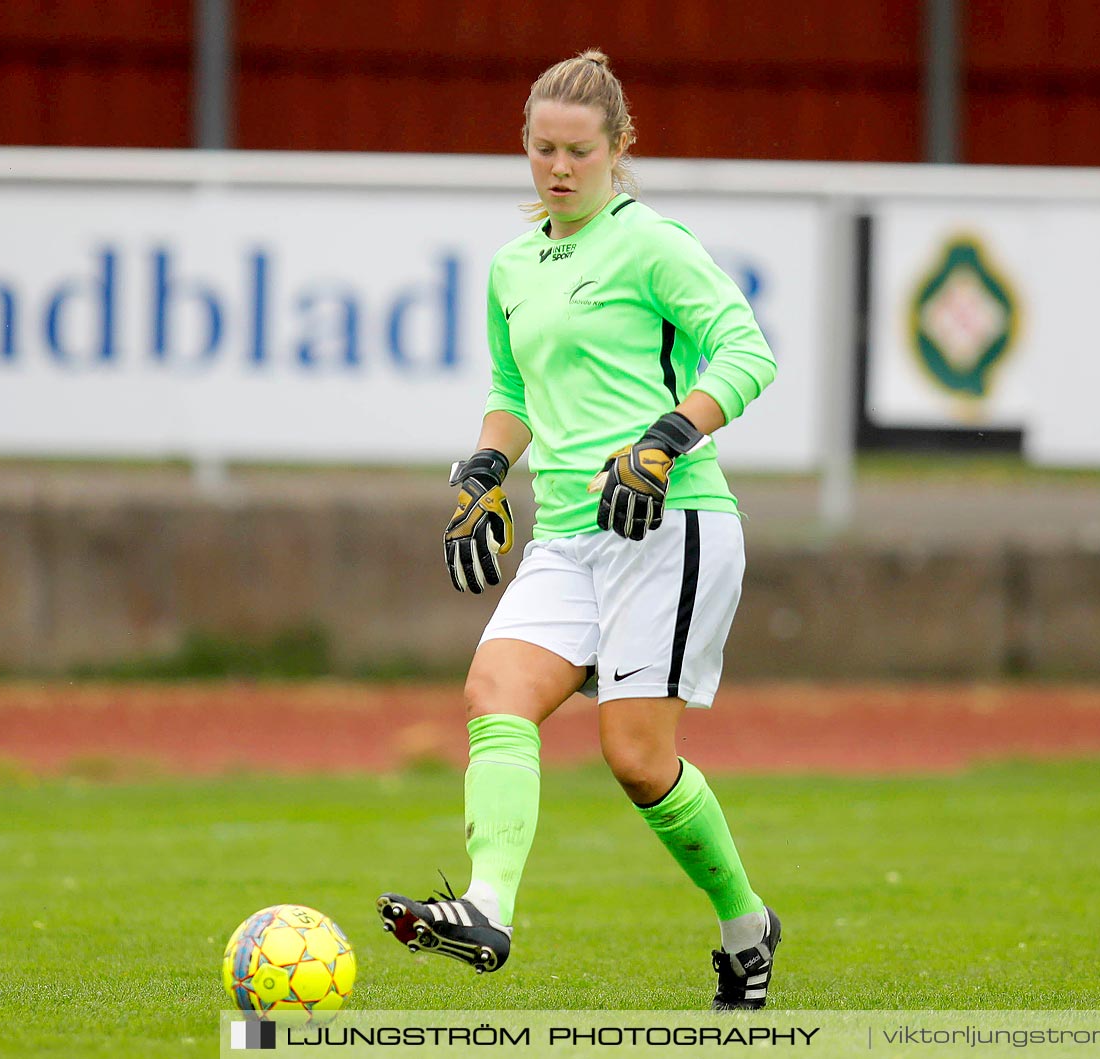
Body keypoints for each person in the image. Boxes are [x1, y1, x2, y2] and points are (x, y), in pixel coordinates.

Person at [375, 50, 782, 1011]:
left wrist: (669, 436)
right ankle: (486, 907)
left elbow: (747, 349)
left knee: (637, 757)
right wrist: (482, 468)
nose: (559, 168)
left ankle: (745, 925)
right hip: (564, 530)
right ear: (525, 146)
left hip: (669, 521)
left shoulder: (654, 244)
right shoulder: (513, 266)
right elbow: (514, 393)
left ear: (619, 149)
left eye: (579, 151)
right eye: (543, 149)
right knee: (494, 691)